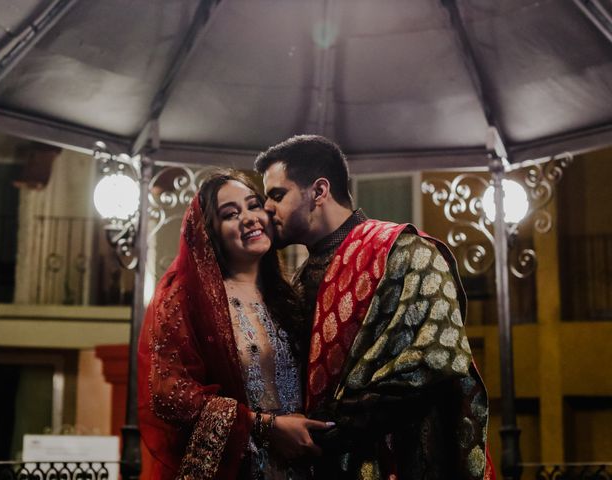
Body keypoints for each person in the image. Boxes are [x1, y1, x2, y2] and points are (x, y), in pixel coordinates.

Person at [255, 135, 495, 479]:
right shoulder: (299, 282)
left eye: (277, 195)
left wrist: (327, 431)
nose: (266, 208)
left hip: (401, 460)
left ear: (319, 192)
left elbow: (435, 358)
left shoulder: (405, 251)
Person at [137, 170, 331, 480]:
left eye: (254, 205)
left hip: (301, 466)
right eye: (230, 214)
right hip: (235, 469)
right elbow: (169, 394)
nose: (249, 218)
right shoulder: (186, 298)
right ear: (210, 232)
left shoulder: (289, 297)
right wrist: (265, 427)